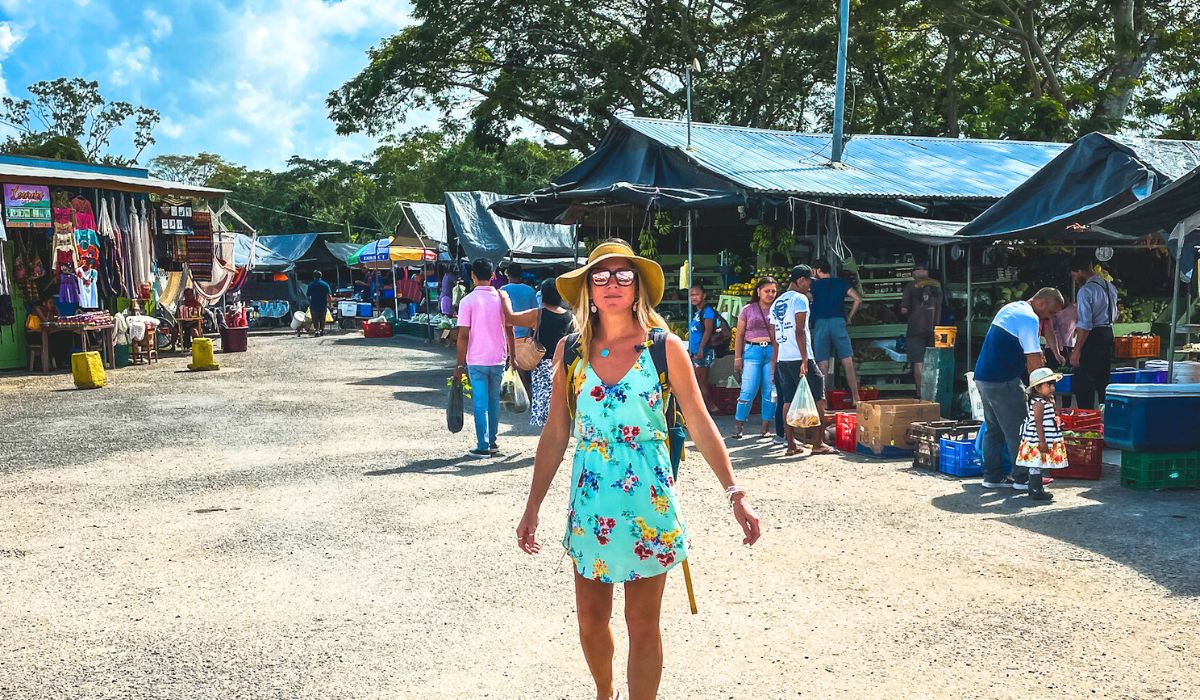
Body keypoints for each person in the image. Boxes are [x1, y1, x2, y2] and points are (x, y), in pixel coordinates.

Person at [515, 239, 761, 700]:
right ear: (588, 286)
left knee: (643, 625)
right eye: (601, 276)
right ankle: (604, 693)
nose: (612, 284)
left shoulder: (663, 348)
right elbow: (555, 433)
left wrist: (735, 491)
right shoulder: (569, 350)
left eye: (623, 276)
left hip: (649, 503)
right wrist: (533, 506)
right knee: (590, 621)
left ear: (637, 287)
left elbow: (701, 421)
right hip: (590, 507)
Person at [973, 287, 1066, 491]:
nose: (1049, 318)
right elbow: (1033, 358)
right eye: (1050, 312)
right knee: (1020, 430)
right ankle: (1023, 478)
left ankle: (992, 476)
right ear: (1041, 303)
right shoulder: (1029, 318)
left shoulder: (1012, 308)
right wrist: (1042, 393)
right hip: (1002, 380)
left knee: (994, 430)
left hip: (983, 378)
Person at [455, 258, 515, 459]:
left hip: (476, 359)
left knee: (480, 404)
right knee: (493, 402)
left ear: (472, 276)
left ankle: (482, 445)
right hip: (498, 357)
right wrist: (512, 358)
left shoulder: (467, 301)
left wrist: (459, 364)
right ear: (493, 276)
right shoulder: (502, 297)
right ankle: (493, 442)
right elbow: (510, 330)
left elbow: (463, 336)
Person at [771, 265, 833, 457]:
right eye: (808, 281)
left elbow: (774, 336)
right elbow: (799, 331)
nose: (809, 286)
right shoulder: (800, 299)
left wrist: (777, 360)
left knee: (788, 400)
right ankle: (818, 443)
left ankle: (790, 444)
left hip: (783, 358)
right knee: (819, 398)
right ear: (800, 280)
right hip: (800, 356)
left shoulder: (776, 303)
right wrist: (805, 360)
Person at [504, 278, 575, 427]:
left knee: (544, 412)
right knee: (561, 407)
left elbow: (510, 318)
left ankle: (548, 440)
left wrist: (504, 298)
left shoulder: (538, 314)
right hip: (564, 366)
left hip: (543, 366)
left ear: (543, 296)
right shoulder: (570, 317)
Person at [732, 276, 779, 439]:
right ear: (758, 291)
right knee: (748, 390)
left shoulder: (778, 309)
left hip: (772, 351)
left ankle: (765, 427)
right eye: (767, 291)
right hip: (752, 351)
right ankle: (739, 425)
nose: (770, 294)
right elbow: (739, 335)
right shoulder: (748, 309)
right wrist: (737, 357)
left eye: (773, 291)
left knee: (769, 390)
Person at [1069, 256, 1118, 410]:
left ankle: (1087, 416)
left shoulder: (1086, 291)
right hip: (1108, 333)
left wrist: (1076, 351)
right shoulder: (1110, 286)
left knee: (1084, 381)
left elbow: (1085, 325)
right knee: (1104, 379)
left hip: (1093, 336)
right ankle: (1105, 414)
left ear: (1080, 271)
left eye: (1074, 275)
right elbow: (1116, 314)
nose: (1075, 279)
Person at [810, 261, 863, 404]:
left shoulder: (813, 286)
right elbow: (858, 299)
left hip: (820, 324)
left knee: (823, 363)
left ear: (818, 270)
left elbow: (807, 299)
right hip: (838, 322)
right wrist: (849, 317)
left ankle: (824, 400)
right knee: (847, 360)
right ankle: (856, 397)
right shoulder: (841, 283)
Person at [1014, 367, 1068, 502]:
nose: (1052, 387)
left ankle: (1034, 488)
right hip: (1037, 438)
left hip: (1045, 436)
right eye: (1048, 385)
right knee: (1036, 463)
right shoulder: (1038, 403)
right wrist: (1042, 441)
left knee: (1037, 463)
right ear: (1038, 388)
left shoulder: (1046, 401)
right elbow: (1038, 423)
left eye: (1052, 384)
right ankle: (1036, 489)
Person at [900, 263, 943, 396]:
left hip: (916, 328)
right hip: (934, 327)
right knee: (932, 360)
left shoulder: (911, 286)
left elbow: (904, 309)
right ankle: (933, 391)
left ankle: (920, 392)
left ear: (916, 272)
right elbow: (941, 304)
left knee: (918, 360)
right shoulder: (937, 285)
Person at [501, 262, 539, 396]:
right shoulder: (529, 290)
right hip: (527, 335)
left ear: (508, 274)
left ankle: (519, 391)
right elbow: (536, 312)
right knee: (524, 365)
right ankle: (525, 390)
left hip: (508, 335)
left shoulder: (503, 290)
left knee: (512, 365)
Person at [688, 285, 719, 413]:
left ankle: (709, 408)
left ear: (704, 296)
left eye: (696, 294)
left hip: (703, 352)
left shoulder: (708, 312)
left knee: (701, 382)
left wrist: (701, 349)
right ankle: (707, 408)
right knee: (698, 381)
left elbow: (708, 331)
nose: (693, 297)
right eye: (691, 295)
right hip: (695, 351)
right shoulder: (697, 312)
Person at [306, 271, 333, 337]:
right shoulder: (325, 284)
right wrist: (330, 304)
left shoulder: (311, 285)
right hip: (323, 305)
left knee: (315, 319)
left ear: (314, 276)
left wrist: (310, 303)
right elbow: (329, 296)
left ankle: (317, 331)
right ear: (321, 276)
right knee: (322, 318)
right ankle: (322, 330)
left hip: (314, 305)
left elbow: (308, 296)